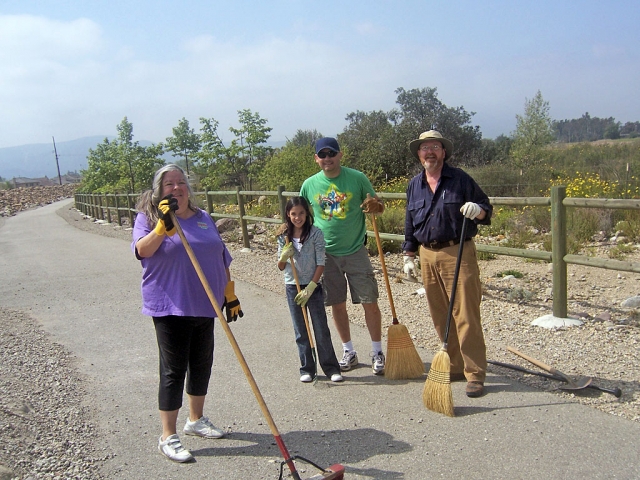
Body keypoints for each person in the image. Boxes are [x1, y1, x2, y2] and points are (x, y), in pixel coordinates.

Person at [132, 164, 243, 462]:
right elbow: (142, 251)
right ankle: (167, 436)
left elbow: (221, 256)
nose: (176, 187)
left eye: (181, 182)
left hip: (207, 304)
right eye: (169, 184)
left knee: (201, 363)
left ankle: (196, 420)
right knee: (173, 370)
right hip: (170, 305)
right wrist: (162, 225)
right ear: (159, 190)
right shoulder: (148, 217)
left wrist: (229, 293)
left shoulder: (203, 217)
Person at [402, 130, 492, 398]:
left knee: (465, 314)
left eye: (435, 147)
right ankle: (453, 365)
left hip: (457, 251)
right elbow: (410, 221)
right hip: (427, 254)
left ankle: (475, 373)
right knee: (440, 313)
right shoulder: (414, 185)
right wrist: (408, 254)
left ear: (443, 152)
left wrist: (478, 211)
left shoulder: (460, 179)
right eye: (424, 148)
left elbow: (486, 207)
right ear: (419, 154)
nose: (429, 152)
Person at [300, 137, 386, 375]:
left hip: (356, 250)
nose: (327, 158)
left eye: (332, 153)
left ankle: (377, 351)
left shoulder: (357, 178)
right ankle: (348, 351)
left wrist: (375, 205)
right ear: (316, 158)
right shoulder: (309, 185)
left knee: (369, 301)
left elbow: (376, 204)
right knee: (337, 304)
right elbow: (301, 215)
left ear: (340, 155)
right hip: (325, 255)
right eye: (322, 155)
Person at [276, 197, 343, 383]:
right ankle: (307, 368)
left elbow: (321, 262)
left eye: (301, 213)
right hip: (293, 287)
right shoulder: (284, 236)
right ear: (288, 215)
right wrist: (283, 256)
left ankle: (331, 368)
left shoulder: (316, 234)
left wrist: (312, 286)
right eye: (293, 214)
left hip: (313, 287)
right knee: (301, 329)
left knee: (321, 328)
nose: (298, 217)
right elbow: (281, 266)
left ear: (307, 213)